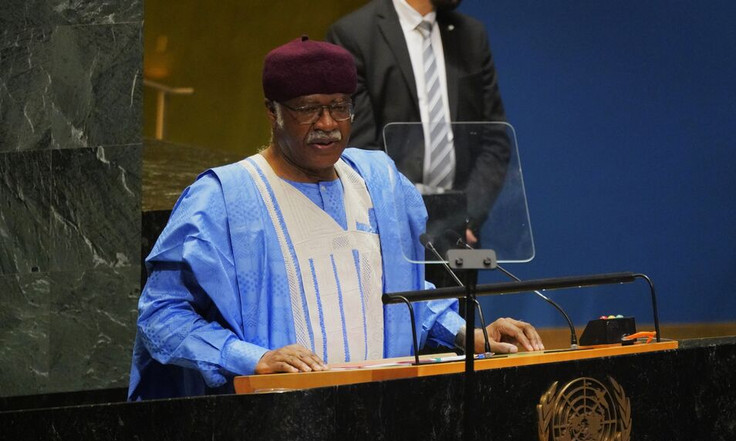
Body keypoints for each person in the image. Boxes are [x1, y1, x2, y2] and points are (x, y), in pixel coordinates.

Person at [128, 37, 542, 400]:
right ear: (272, 112)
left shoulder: (379, 181)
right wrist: (254, 359)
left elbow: (408, 299)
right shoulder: (224, 197)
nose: (327, 125)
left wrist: (471, 335)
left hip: (387, 413)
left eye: (339, 108)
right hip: (275, 427)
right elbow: (162, 316)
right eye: (308, 109)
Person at [326, 0, 509, 247]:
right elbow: (360, 147)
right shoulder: (354, 34)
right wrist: (408, 216)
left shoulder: (471, 35)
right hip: (391, 230)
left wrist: (468, 216)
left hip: (459, 233)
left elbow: (494, 139)